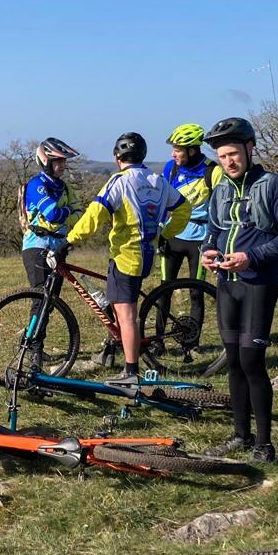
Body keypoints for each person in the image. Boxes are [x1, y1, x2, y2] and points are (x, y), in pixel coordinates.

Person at [200, 116, 278, 463]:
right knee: (233, 361)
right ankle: (239, 435)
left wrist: (253, 257)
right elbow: (213, 230)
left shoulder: (273, 185)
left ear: (249, 148)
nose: (228, 162)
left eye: (233, 154)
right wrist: (207, 251)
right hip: (227, 285)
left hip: (259, 283)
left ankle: (264, 444)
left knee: (251, 361)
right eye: (222, 156)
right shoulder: (221, 190)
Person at [65, 132, 192, 383]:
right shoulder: (157, 180)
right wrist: (165, 232)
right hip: (147, 254)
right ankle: (116, 353)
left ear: (117, 157)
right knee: (121, 310)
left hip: (125, 257)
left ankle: (131, 372)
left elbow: (95, 215)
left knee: (126, 317)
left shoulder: (120, 181)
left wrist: (69, 240)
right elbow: (184, 208)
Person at [156, 122, 218, 334]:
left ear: (192, 150)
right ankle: (158, 340)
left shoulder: (212, 171)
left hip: (200, 238)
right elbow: (163, 201)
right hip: (173, 235)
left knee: (196, 292)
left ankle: (192, 342)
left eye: (178, 150)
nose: (173, 154)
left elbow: (220, 208)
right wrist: (160, 231)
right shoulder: (170, 168)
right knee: (164, 290)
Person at [19, 137, 81, 291]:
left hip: (59, 247)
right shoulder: (36, 184)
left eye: (64, 161)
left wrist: (64, 216)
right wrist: (68, 212)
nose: (63, 165)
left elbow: (80, 213)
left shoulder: (65, 187)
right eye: (58, 161)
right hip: (37, 246)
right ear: (45, 161)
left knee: (53, 299)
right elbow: (52, 215)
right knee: (40, 298)